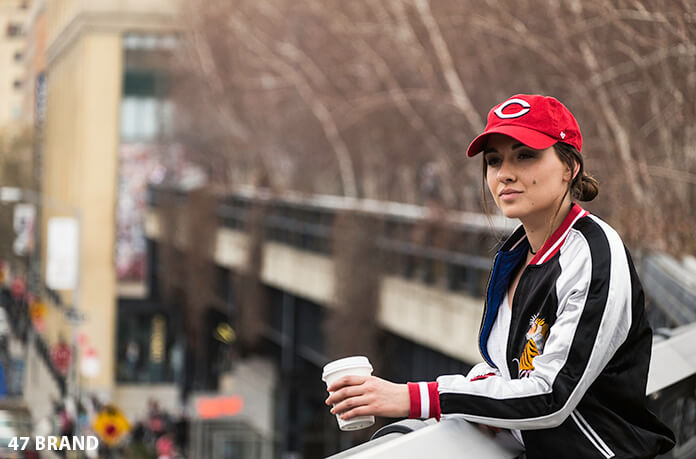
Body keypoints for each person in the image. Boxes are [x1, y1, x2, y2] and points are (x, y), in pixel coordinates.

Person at [325, 94, 675, 458]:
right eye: (494, 161)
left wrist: (413, 398)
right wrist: (477, 387)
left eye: (525, 155)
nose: (505, 173)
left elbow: (550, 395)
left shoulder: (593, 253)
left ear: (569, 167)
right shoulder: (518, 253)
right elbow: (512, 374)